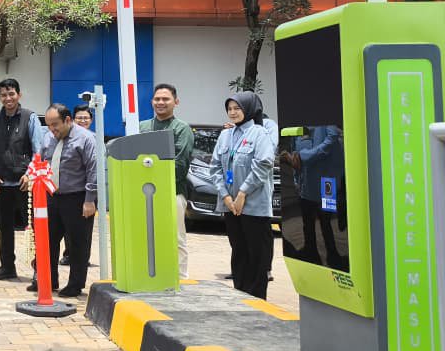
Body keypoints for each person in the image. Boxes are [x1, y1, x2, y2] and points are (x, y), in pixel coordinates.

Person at [208, 91, 276, 299]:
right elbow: (215, 167)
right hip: (231, 206)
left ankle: (257, 301)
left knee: (257, 256)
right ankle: (241, 297)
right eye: (229, 109)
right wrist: (226, 197)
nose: (232, 112)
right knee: (238, 253)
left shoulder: (260, 133)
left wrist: (242, 193)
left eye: (237, 108)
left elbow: (263, 164)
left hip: (254, 206)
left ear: (249, 109)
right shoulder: (225, 135)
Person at [29, 104, 98, 297]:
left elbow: (94, 170)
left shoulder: (86, 139)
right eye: (49, 125)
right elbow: (40, 160)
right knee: (48, 241)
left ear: (68, 120)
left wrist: (90, 200)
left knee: (77, 243)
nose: (52, 129)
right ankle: (48, 280)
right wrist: (30, 176)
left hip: (77, 198)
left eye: (55, 124)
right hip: (52, 196)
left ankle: (75, 284)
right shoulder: (48, 137)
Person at [0, 78, 46, 282]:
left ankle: (39, 269)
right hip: (2, 182)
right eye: (4, 95)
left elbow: (39, 150)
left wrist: (30, 174)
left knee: (33, 227)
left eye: (11, 94)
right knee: (5, 228)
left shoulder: (30, 117)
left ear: (19, 95)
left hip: (26, 183)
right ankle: (7, 266)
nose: (8, 98)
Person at [139, 83, 194, 278]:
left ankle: (180, 278)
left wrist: (158, 182)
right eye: (157, 99)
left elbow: (181, 163)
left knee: (175, 237)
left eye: (165, 99)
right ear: (151, 102)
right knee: (147, 236)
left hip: (173, 192)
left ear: (176, 102)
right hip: (144, 192)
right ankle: (150, 276)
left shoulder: (182, 129)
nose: (160, 102)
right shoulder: (142, 127)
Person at [281, 125, 346, 270]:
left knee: (326, 221)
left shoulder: (327, 126)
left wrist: (304, 156)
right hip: (305, 182)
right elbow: (294, 152)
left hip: (326, 181)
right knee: (307, 222)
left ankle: (333, 256)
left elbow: (331, 139)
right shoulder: (300, 125)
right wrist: (297, 178)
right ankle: (311, 253)